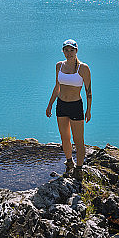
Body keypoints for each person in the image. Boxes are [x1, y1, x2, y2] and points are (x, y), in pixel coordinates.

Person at [46, 38, 92, 180]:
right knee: (65, 138)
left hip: (76, 106)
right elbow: (57, 87)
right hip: (61, 105)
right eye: (66, 50)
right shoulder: (59, 65)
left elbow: (88, 91)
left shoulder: (83, 68)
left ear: (76, 51)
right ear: (63, 51)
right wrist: (50, 104)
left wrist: (88, 110)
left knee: (79, 140)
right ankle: (69, 162)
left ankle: (79, 169)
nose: (69, 52)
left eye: (72, 50)